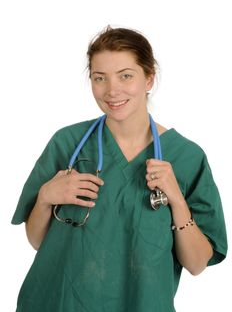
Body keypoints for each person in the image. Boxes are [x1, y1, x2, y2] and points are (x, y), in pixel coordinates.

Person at [12, 26, 227, 312]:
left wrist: (176, 200)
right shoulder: (68, 143)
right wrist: (45, 197)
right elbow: (37, 240)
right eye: (99, 78)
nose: (112, 91)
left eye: (126, 76)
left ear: (148, 78)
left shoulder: (186, 157)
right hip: (58, 302)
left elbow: (197, 263)